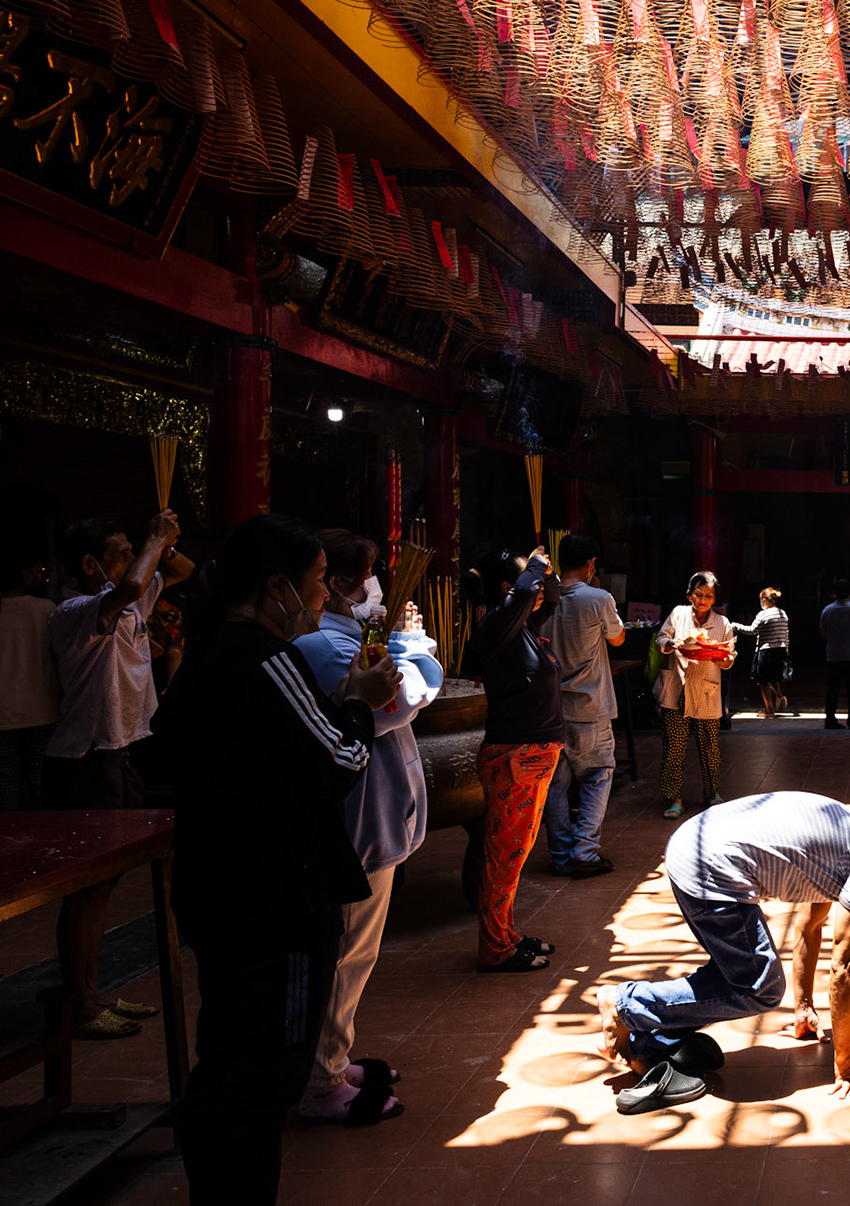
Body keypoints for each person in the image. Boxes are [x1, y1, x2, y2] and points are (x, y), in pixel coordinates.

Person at [150, 513, 399, 1200]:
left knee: (228, 1059)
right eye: (319, 583)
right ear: (277, 586)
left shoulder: (207, 654)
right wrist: (359, 703)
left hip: (219, 886)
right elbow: (341, 760)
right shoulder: (265, 657)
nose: (325, 598)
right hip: (275, 900)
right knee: (262, 1074)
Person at [591, 793, 850, 1112]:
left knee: (734, 974)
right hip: (712, 869)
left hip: (693, 846)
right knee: (760, 988)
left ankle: (645, 1039)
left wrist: (804, 1009)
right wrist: (847, 1062)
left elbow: (808, 927)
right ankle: (627, 1003)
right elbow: (845, 967)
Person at [292, 529, 443, 1124]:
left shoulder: (353, 637)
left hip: (371, 818)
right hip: (354, 826)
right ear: (333, 586)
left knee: (356, 953)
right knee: (345, 956)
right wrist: (406, 644)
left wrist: (398, 642)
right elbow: (402, 699)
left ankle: (332, 1055)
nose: (375, 587)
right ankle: (320, 1080)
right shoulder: (328, 647)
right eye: (365, 576)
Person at [46, 510, 193, 1039]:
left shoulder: (129, 602)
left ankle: (92, 989)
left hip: (121, 752)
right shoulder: (77, 609)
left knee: (104, 885)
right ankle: (79, 998)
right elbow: (134, 582)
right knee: (85, 887)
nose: (135, 561)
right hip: (86, 758)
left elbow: (181, 570)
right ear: (91, 565)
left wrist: (167, 543)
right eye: (121, 550)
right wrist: (153, 540)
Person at [466, 547, 565, 973]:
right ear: (509, 590)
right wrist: (536, 564)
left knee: (514, 857)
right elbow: (528, 589)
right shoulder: (496, 628)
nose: (540, 589)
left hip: (533, 757)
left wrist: (547, 570)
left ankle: (507, 935)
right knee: (503, 858)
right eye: (532, 582)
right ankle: (495, 948)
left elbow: (550, 596)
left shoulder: (522, 626)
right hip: (514, 759)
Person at [544, 533, 626, 878]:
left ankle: (562, 854)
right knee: (596, 776)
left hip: (551, 709)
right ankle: (585, 850)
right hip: (591, 707)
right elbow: (618, 638)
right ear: (591, 564)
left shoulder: (543, 599)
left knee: (556, 785)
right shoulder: (598, 598)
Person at [654, 571, 735, 817]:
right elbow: (661, 639)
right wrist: (672, 644)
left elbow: (729, 657)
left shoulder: (723, 624)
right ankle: (674, 799)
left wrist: (722, 657)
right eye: (698, 594)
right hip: (677, 690)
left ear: (714, 600)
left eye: (708, 596)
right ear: (689, 594)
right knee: (673, 749)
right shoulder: (678, 614)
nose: (703, 600)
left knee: (710, 748)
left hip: (707, 692)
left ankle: (712, 793)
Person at [0, 536, 58, 811]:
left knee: (8, 783)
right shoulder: (45, 610)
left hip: (3, 715)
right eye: (38, 570)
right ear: (24, 573)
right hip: (42, 711)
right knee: (40, 781)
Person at [819, 578, 850, 730]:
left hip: (833, 655)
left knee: (833, 689)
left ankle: (830, 718)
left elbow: (823, 632)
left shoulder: (827, 610)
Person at [738, 586, 791, 718]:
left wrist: (736, 626)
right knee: (773, 677)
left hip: (765, 650)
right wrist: (787, 648)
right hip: (780, 650)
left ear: (763, 599)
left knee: (763, 681)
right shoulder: (783, 613)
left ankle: (769, 710)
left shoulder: (763, 614)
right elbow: (786, 633)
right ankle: (779, 695)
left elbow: (752, 630)